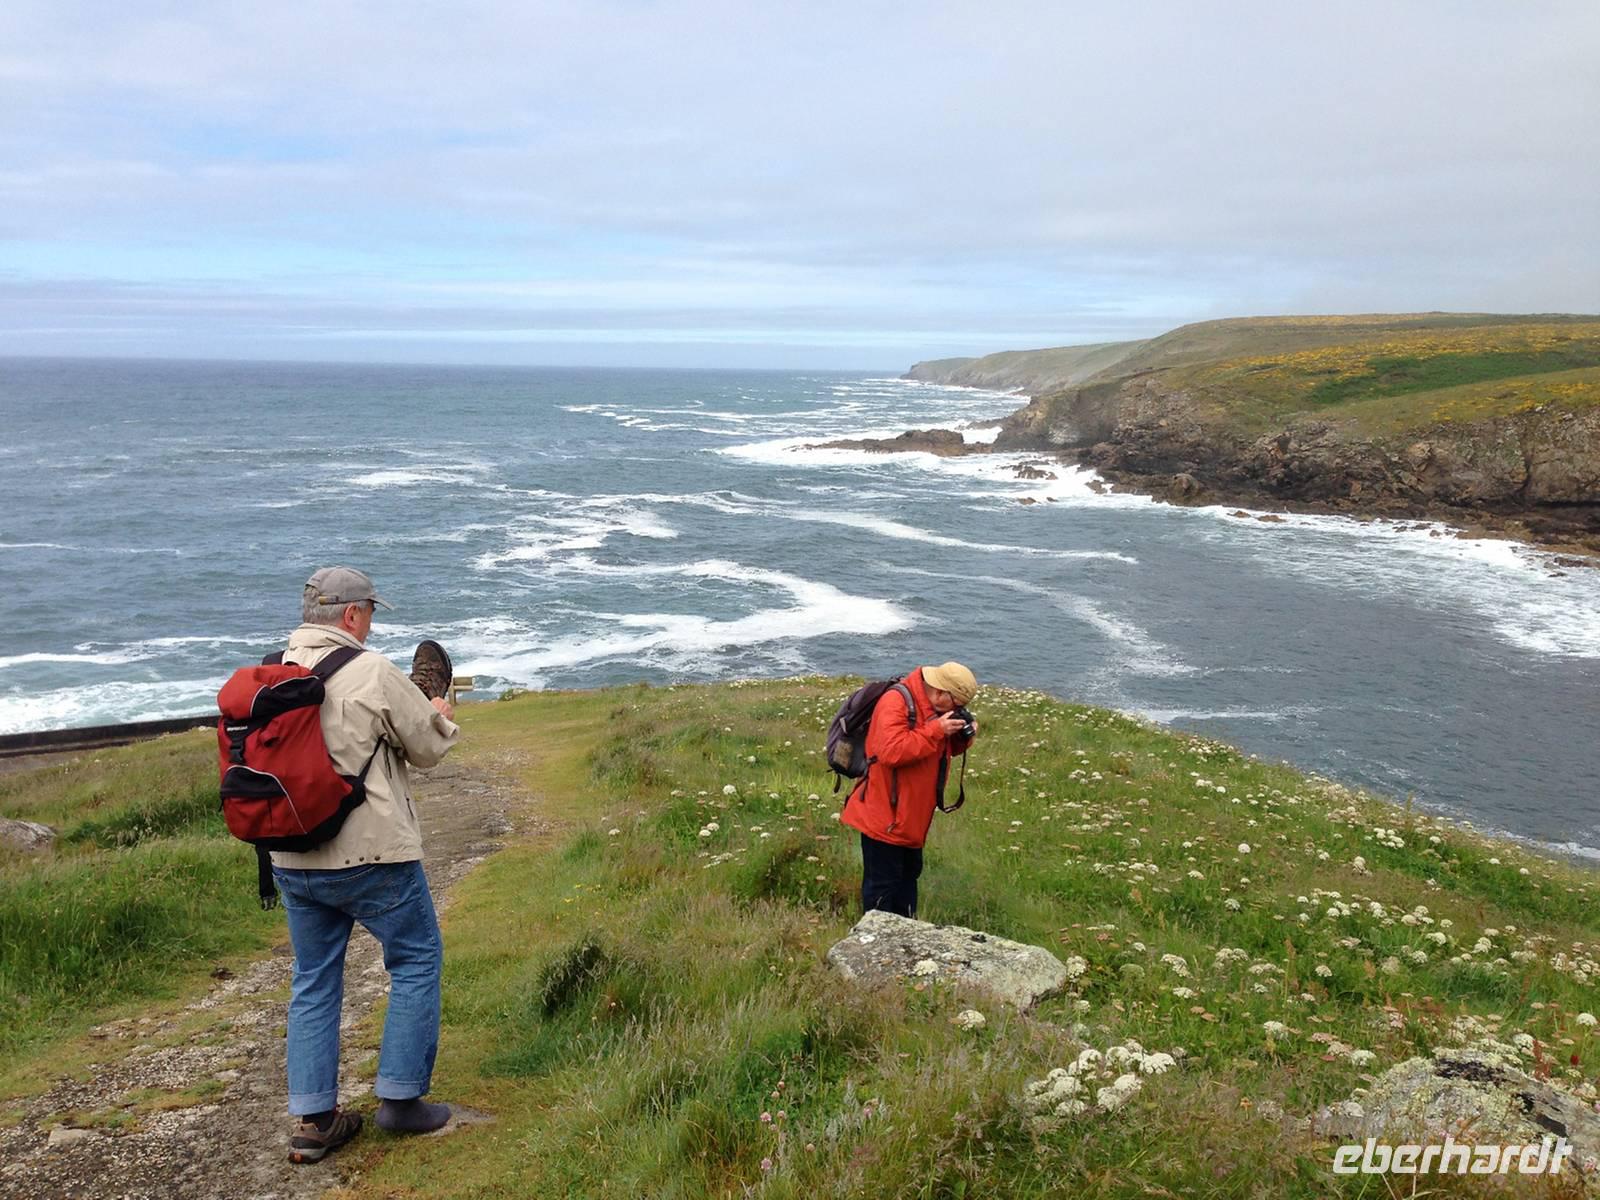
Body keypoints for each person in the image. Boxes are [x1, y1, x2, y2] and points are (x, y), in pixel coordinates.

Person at [270, 566, 460, 1164]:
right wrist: (435, 706)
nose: (371, 622)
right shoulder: (373, 670)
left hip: (292, 855)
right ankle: (401, 1101)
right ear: (352, 615)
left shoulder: (272, 669)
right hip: (371, 853)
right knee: (415, 957)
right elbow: (429, 749)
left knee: (314, 977)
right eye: (371, 612)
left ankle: (314, 1119)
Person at [839, 662, 978, 918]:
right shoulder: (896, 702)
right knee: (882, 886)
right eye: (956, 704)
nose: (958, 711)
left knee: (907, 880)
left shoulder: (933, 707)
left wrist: (961, 736)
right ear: (940, 693)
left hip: (911, 817)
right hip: (884, 816)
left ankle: (906, 938)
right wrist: (937, 730)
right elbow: (891, 752)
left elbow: (938, 751)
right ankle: (874, 945)